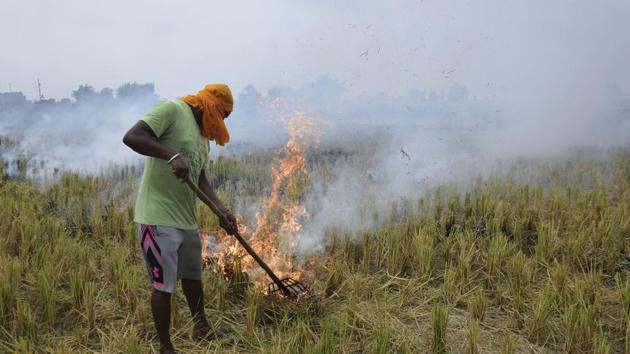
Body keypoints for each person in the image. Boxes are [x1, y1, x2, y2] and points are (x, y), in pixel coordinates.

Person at [123, 84, 238, 354]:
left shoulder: (203, 137)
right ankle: (166, 346)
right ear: (209, 105)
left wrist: (221, 211)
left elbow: (200, 180)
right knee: (163, 285)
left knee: (193, 277)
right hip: (157, 216)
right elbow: (132, 137)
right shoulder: (172, 109)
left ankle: (202, 328)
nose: (221, 122)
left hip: (185, 219)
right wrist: (171, 154)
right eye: (221, 114)